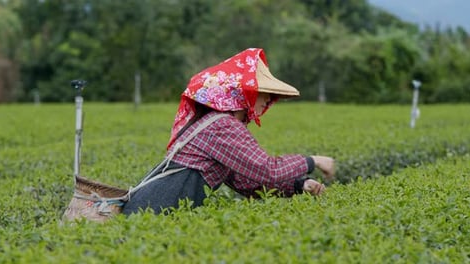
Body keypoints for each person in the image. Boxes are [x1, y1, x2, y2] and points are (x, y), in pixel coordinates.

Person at [122, 48, 335, 215]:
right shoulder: (223, 126)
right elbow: (266, 169)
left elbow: (245, 182)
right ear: (246, 94)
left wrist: (298, 185)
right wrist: (312, 161)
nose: (269, 101)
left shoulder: (219, 123)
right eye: (264, 94)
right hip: (152, 211)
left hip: (157, 209)